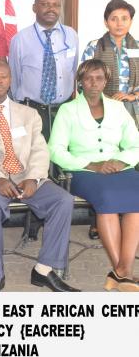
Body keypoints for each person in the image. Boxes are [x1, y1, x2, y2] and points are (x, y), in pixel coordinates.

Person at [0, 59, 78, 292]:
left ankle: (44, 270)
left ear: (10, 80)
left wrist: (34, 178)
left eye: (3, 76)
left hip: (26, 176)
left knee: (63, 200)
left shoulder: (29, 114)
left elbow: (40, 150)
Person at [49, 59, 139, 292]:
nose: (93, 83)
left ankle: (121, 271)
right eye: (88, 78)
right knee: (107, 198)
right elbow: (55, 150)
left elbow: (135, 144)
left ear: (106, 81)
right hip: (83, 171)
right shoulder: (68, 110)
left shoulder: (118, 108)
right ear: (80, 81)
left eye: (99, 78)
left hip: (119, 167)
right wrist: (91, 165)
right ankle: (123, 273)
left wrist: (121, 161)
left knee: (137, 197)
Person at [9, 0, 78, 140]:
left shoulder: (71, 35)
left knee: (62, 151)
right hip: (31, 110)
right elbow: (14, 77)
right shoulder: (20, 39)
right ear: (34, 8)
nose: (51, 9)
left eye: (56, 5)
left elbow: (73, 70)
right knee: (34, 152)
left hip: (64, 110)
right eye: (45, 4)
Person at [81, 0, 139, 128]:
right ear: (106, 22)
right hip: (100, 107)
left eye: (124, 18)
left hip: (134, 109)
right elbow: (82, 80)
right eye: (114, 19)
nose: (119, 23)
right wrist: (104, 98)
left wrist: (133, 96)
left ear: (131, 21)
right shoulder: (94, 46)